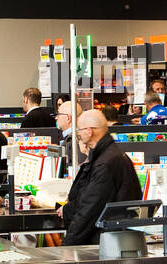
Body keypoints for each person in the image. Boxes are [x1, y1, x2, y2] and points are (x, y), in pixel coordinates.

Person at [61, 109, 143, 246]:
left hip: (106, 243)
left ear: (89, 131)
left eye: (79, 130)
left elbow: (89, 210)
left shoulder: (104, 164)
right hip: (118, 238)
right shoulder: (114, 155)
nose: (78, 134)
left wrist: (67, 246)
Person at [56, 100, 75, 166]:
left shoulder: (72, 140)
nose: (56, 118)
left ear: (68, 118)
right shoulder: (72, 137)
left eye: (58, 114)